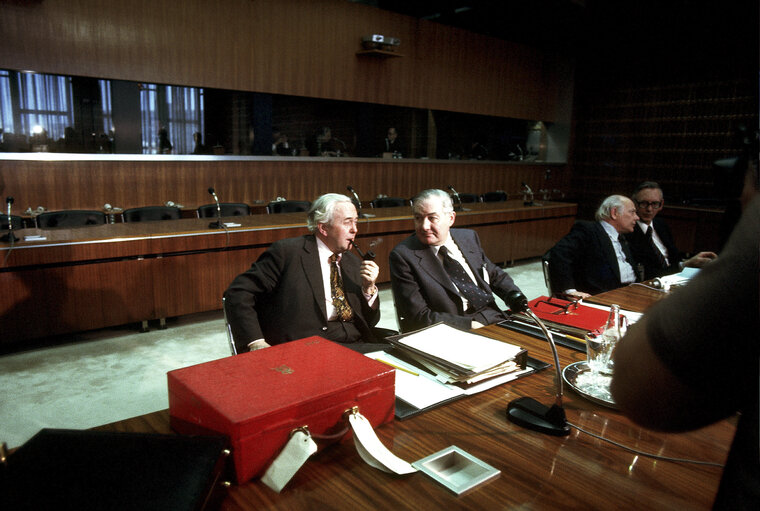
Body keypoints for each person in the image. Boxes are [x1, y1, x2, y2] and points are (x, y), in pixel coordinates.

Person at [611, 157, 759, 509]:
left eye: (654, 204)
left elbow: (643, 390)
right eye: (642, 205)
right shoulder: (630, 234)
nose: (647, 210)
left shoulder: (665, 227)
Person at [224, 193, 380, 353]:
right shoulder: (286, 253)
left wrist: (368, 289)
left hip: (356, 345)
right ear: (323, 228)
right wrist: (256, 341)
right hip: (306, 349)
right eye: (347, 223)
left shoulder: (353, 263)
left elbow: (369, 322)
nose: (355, 229)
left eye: (355, 222)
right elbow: (238, 292)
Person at [389, 188, 522, 332]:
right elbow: (418, 315)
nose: (424, 226)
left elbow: (493, 274)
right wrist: (468, 325)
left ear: (451, 218)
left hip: (491, 313)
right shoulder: (403, 256)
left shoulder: (468, 237)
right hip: (452, 326)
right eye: (418, 218)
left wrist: (517, 298)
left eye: (432, 218)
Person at [547, 195, 640, 299]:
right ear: (614, 213)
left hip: (633, 292)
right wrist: (570, 291)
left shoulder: (623, 237)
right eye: (632, 212)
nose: (637, 217)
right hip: (604, 297)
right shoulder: (588, 230)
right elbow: (559, 254)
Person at [625, 181, 717, 280]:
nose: (649, 209)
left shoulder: (660, 224)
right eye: (644, 203)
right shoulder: (627, 231)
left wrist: (693, 262)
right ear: (633, 203)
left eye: (655, 204)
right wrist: (686, 264)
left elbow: (675, 259)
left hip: (677, 279)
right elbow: (646, 274)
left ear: (661, 204)